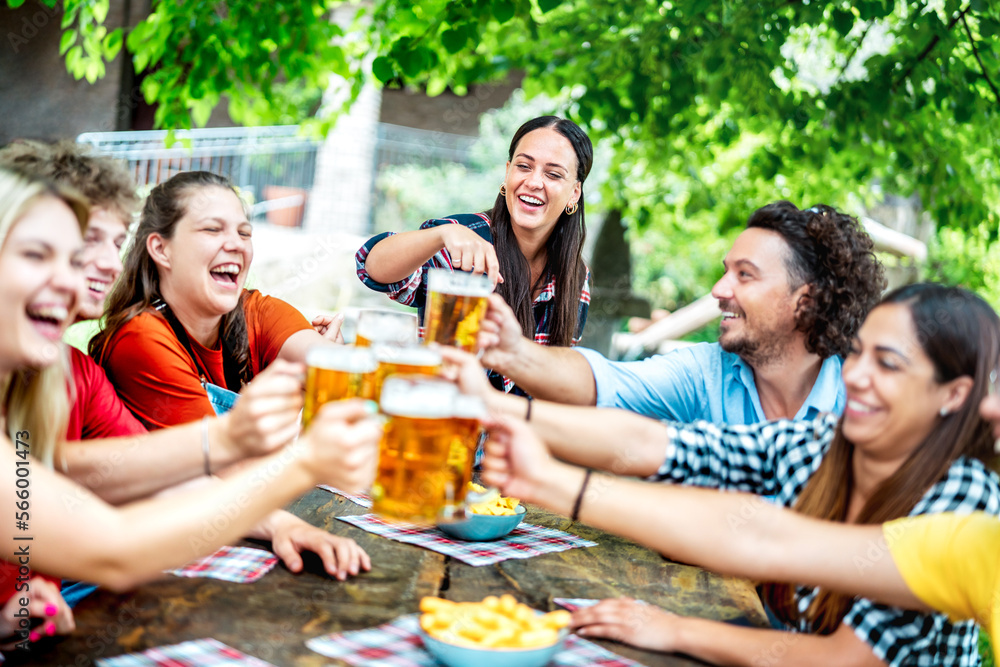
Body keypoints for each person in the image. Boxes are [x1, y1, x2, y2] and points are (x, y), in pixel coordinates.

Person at [452, 282, 1000, 665]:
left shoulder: (965, 495)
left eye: (889, 364)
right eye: (856, 355)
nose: (856, 376)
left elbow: (843, 658)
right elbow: (661, 445)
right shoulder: (824, 443)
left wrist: (676, 630)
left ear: (954, 394)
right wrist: (498, 409)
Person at [0, 148, 368, 588]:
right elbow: (111, 547)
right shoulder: (137, 338)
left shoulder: (68, 369)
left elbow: (103, 474)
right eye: (39, 255)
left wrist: (278, 521)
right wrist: (297, 462)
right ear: (160, 249)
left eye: (113, 244)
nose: (90, 268)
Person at [477, 201, 886, 422]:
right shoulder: (704, 373)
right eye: (727, 271)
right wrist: (512, 351)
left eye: (746, 275)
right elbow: (602, 380)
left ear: (807, 300)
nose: (719, 290)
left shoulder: (868, 396)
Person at [356, 115, 593, 394]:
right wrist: (439, 235)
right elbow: (373, 268)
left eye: (553, 174)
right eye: (523, 166)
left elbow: (555, 385)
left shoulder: (575, 277)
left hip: (511, 432)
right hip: (430, 423)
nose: (533, 181)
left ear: (574, 193)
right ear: (507, 173)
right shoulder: (463, 237)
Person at [92, 170, 341, 428]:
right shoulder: (141, 339)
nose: (237, 244)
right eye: (212, 229)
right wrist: (299, 392)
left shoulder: (255, 311)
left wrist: (333, 367)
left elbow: (336, 366)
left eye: (244, 233)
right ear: (161, 249)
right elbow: (222, 461)